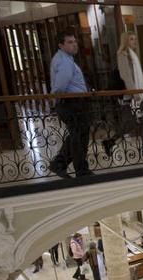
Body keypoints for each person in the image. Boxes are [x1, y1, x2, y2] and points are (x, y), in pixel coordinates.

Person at [103, 32, 143, 157]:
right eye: (131, 39)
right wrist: (134, 92)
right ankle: (110, 142)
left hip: (139, 94)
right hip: (131, 95)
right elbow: (126, 75)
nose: (134, 41)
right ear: (125, 41)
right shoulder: (123, 55)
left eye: (135, 39)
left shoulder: (133, 55)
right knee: (129, 123)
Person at [49, 29, 92, 179]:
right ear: (61, 45)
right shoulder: (64, 61)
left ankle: (59, 164)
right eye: (70, 42)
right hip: (72, 103)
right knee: (79, 137)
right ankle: (81, 170)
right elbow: (60, 86)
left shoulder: (65, 59)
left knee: (77, 135)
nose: (74, 45)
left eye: (74, 41)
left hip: (72, 102)